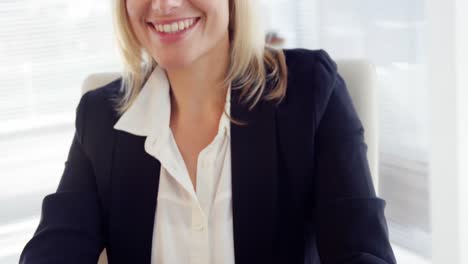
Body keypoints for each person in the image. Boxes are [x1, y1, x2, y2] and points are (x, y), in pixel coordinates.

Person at [19, 0, 396, 263]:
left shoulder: (311, 92)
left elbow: (361, 251)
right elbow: (56, 248)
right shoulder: (101, 117)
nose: (164, 5)